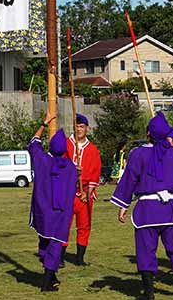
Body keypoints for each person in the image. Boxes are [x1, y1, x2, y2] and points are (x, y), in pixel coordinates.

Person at [110, 112, 173, 299]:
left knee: (146, 251)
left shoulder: (138, 153)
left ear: (149, 133)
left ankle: (149, 294)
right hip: (170, 211)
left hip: (147, 212)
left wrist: (123, 205)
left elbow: (129, 179)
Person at [28, 115, 77, 293]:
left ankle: (50, 277)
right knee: (55, 246)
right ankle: (47, 282)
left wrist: (44, 123)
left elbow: (33, 142)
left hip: (42, 212)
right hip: (60, 215)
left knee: (44, 242)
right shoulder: (71, 168)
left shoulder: (42, 160)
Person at [62, 114, 102, 267]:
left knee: (84, 226)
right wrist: (72, 170)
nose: (79, 129)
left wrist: (89, 191)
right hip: (68, 192)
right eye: (76, 126)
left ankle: (80, 258)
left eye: (81, 126)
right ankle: (60, 257)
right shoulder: (66, 145)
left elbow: (95, 172)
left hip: (85, 192)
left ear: (87, 128)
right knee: (64, 224)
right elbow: (59, 165)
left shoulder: (92, 149)